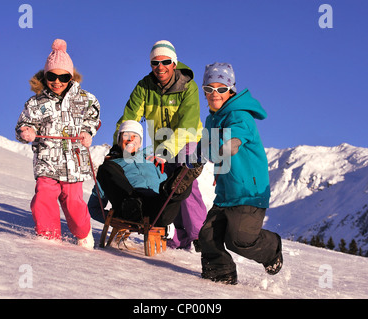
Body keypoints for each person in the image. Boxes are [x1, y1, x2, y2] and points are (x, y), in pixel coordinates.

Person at [113, 40, 207, 249]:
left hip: (189, 140)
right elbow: (129, 119)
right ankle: (181, 238)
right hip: (162, 146)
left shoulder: (187, 86)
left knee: (184, 180)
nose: (160, 67)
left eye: (165, 62)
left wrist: (166, 149)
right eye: (155, 63)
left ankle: (200, 236)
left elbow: (188, 125)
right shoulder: (144, 87)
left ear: (174, 63)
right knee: (170, 189)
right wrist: (119, 145)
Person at [198, 62, 282, 285]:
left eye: (221, 89)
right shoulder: (211, 119)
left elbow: (237, 132)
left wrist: (230, 142)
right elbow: (207, 146)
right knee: (208, 235)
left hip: (248, 192)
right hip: (226, 193)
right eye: (209, 89)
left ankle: (271, 248)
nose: (215, 94)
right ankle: (220, 274)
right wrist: (194, 155)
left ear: (231, 90)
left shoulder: (239, 114)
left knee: (240, 240)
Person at [15, 39, 101, 249]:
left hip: (74, 162)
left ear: (70, 77)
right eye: (52, 76)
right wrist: (27, 131)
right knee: (44, 195)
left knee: (73, 203)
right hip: (47, 160)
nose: (57, 81)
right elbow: (23, 124)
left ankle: (83, 233)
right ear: (45, 76)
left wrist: (87, 132)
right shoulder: (36, 103)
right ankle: (48, 237)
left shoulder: (85, 99)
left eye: (63, 77)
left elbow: (94, 118)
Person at [88, 120, 201, 231]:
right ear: (119, 140)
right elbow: (93, 208)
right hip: (130, 205)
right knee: (107, 168)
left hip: (157, 208)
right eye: (125, 135)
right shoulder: (112, 167)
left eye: (135, 136)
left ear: (140, 142)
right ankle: (131, 206)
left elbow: (163, 183)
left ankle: (184, 177)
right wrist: (112, 218)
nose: (130, 139)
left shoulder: (151, 161)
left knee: (172, 188)